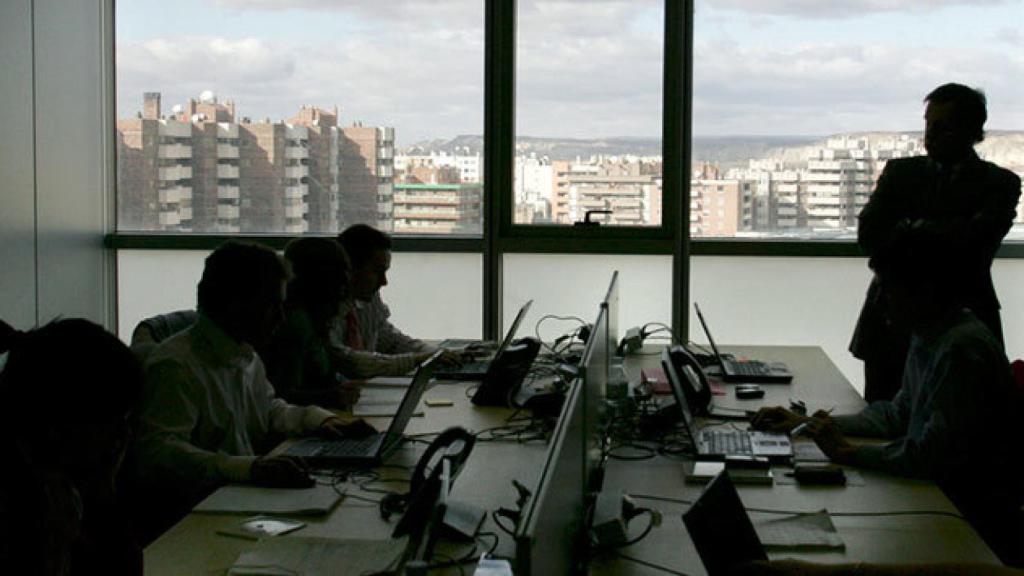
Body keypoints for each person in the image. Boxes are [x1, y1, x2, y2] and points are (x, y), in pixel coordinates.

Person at [753, 231, 1023, 565]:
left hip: (970, 517)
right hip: (940, 498)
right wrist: (808, 424)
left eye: (886, 290)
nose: (879, 303)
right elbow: (896, 416)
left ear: (924, 291)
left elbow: (930, 456)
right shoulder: (930, 334)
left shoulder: (961, 351)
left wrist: (851, 453)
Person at [134, 241, 374, 533]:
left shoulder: (246, 355)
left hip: (243, 499)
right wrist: (247, 467)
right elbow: (160, 451)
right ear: (237, 303)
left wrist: (320, 418)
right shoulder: (177, 365)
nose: (281, 318)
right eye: (273, 306)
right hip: (197, 515)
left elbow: (269, 408)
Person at [850, 83, 1021, 403]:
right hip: (891, 323)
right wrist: (938, 230)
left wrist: (905, 230)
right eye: (929, 124)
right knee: (883, 416)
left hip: (957, 320)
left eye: (941, 126)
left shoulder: (999, 184)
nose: (929, 134)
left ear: (971, 130)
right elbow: (869, 236)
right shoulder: (902, 172)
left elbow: (973, 245)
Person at [0, 319, 143, 575]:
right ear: (57, 423)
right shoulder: (22, 505)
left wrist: (102, 495)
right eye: (114, 420)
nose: (124, 434)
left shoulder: (61, 483)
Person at [330, 224, 459, 377]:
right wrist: (417, 360)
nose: (384, 282)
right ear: (350, 269)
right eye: (377, 271)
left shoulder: (369, 297)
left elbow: (389, 340)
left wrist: (434, 353)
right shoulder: (321, 309)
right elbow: (348, 362)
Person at [262, 237, 362, 408]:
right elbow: (280, 396)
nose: (344, 287)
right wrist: (331, 397)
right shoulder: (295, 326)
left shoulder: (310, 318)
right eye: (340, 276)